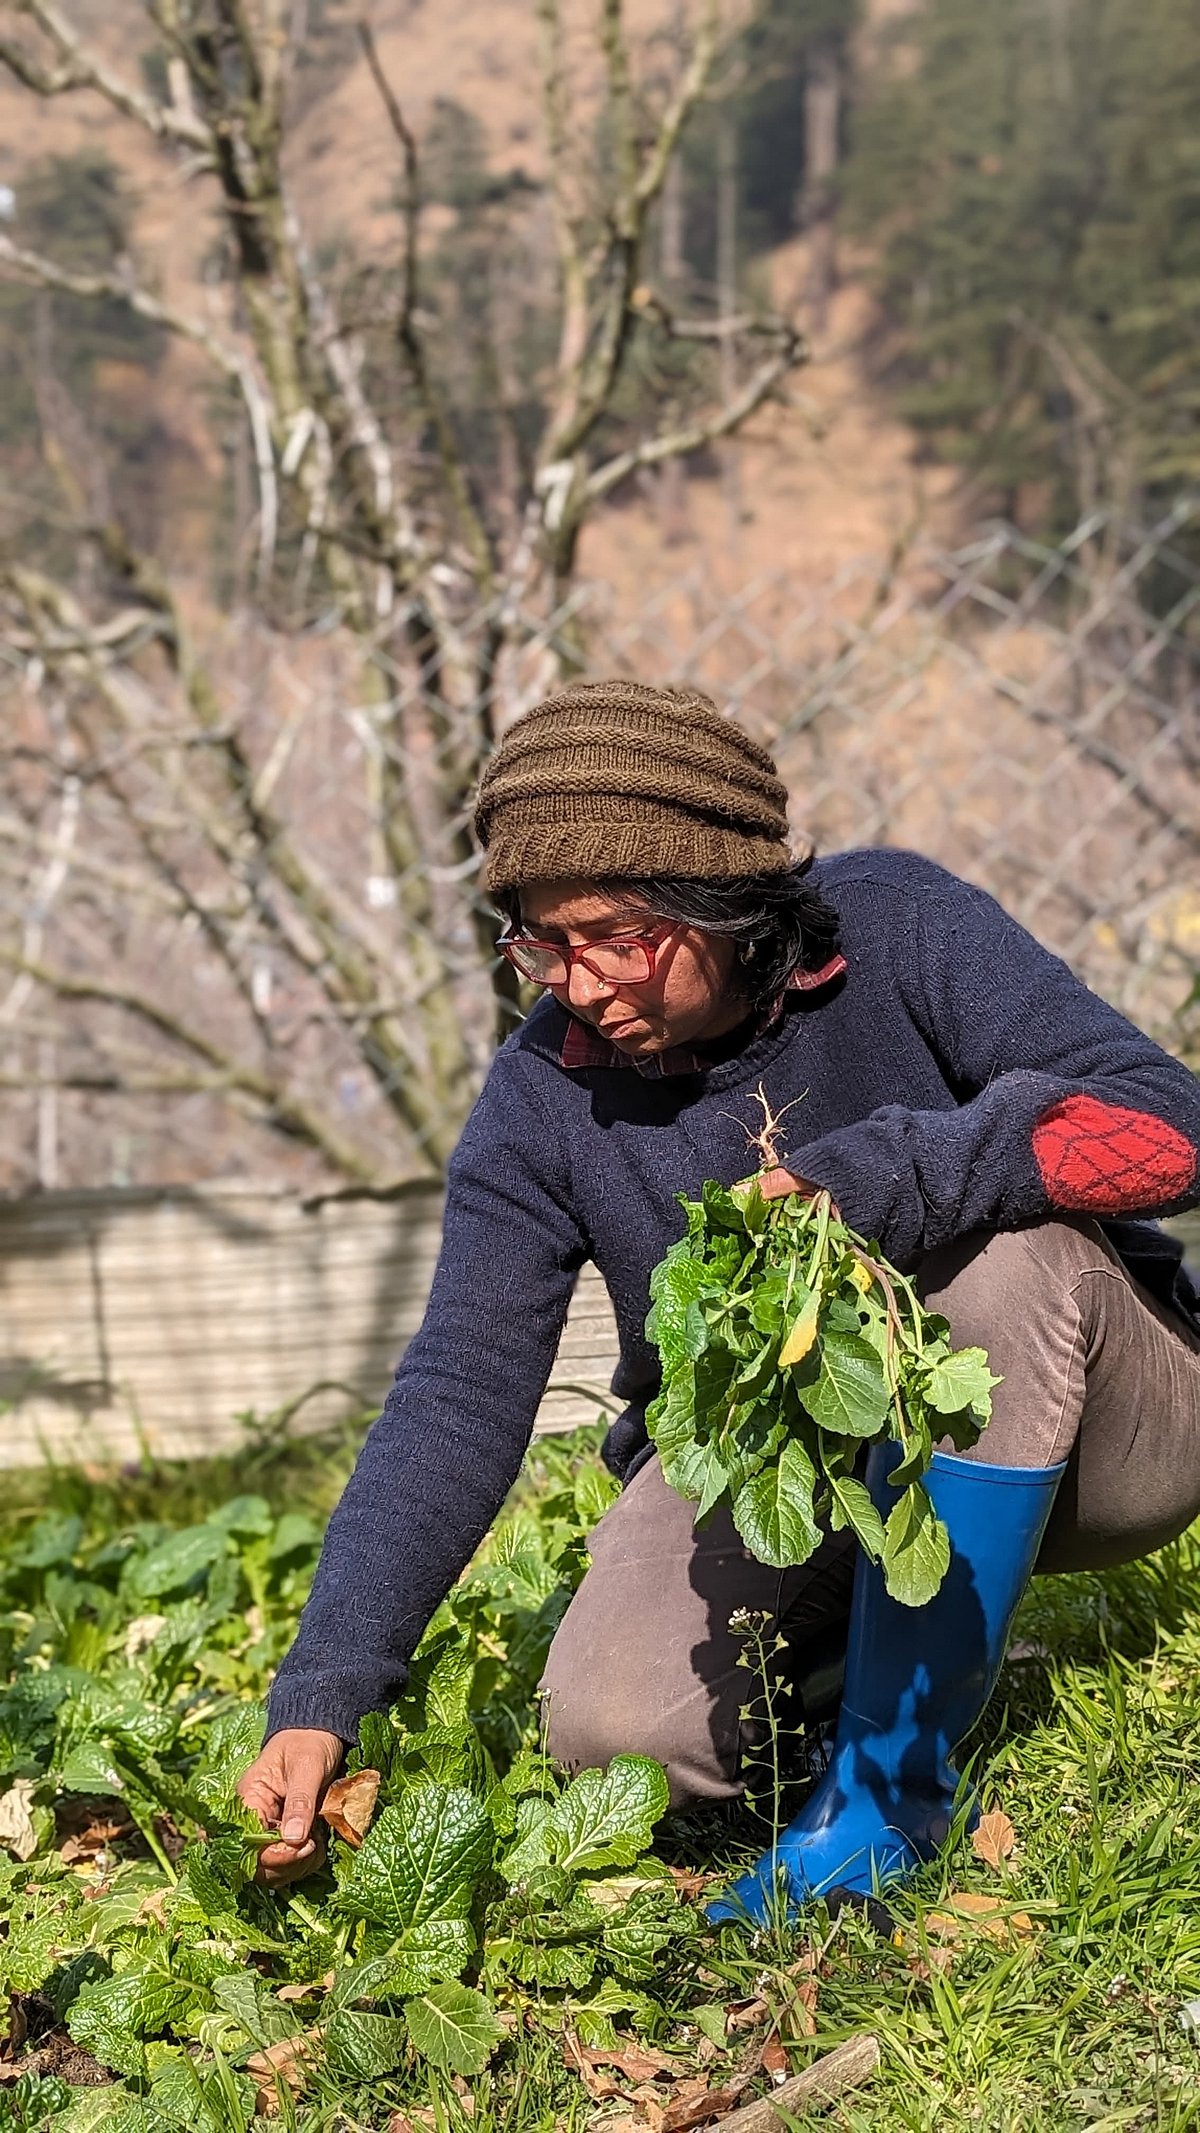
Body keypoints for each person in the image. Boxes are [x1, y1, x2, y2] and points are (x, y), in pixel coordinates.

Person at [238, 680, 1200, 1918]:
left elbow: (1169, 1123)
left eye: (614, 936)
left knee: (996, 1263)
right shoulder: (539, 1102)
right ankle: (894, 1654)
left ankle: (884, 1793)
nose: (576, 984)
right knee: (614, 1735)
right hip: (791, 1462)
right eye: (540, 942)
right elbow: (459, 1394)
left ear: (722, 898)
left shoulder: (900, 929)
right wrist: (323, 1693)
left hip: (1106, 1434)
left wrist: (892, 1179)